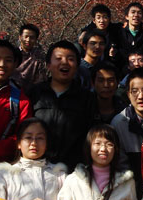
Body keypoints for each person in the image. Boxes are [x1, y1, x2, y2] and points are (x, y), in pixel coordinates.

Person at [28, 40, 94, 170]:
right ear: (48, 65)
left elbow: (90, 136)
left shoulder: (87, 98)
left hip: (72, 170)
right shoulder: (35, 93)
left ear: (77, 66)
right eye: (58, 58)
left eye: (71, 59)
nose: (64, 62)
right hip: (36, 167)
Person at [0, 118, 74, 200]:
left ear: (46, 143)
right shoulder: (5, 174)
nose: (34, 143)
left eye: (40, 138)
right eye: (28, 137)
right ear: (19, 143)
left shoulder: (59, 174)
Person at [55, 124, 137, 200]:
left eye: (109, 144)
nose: (103, 149)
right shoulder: (73, 180)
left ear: (116, 149)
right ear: (89, 147)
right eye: (97, 143)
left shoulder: (127, 183)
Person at [111, 68, 143, 199]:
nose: (140, 96)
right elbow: (121, 167)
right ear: (128, 94)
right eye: (135, 91)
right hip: (132, 191)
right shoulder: (119, 123)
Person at [115, 2, 143, 72]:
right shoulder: (118, 30)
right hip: (122, 70)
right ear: (126, 16)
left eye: (139, 13)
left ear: (142, 17)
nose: (136, 15)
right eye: (133, 12)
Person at [12, 23, 47, 94]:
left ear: (36, 39)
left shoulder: (39, 57)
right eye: (26, 36)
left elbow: (41, 80)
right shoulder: (12, 53)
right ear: (20, 37)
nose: (28, 40)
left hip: (30, 94)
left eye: (32, 37)